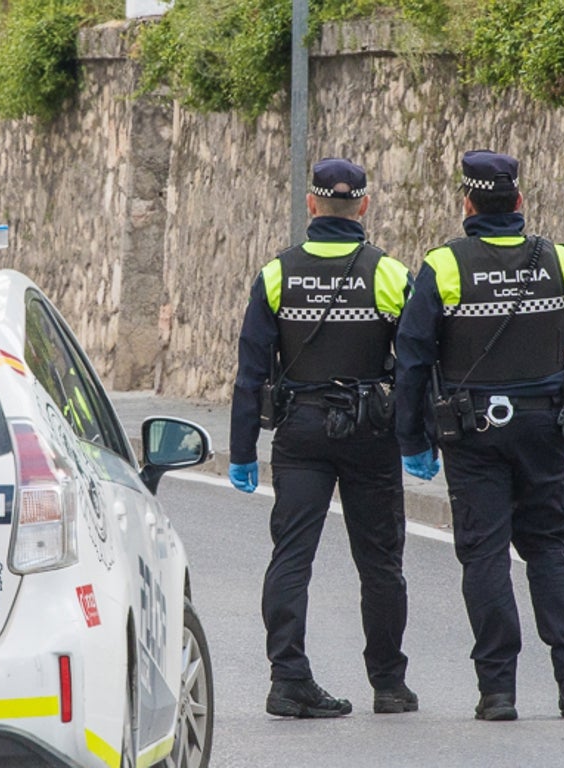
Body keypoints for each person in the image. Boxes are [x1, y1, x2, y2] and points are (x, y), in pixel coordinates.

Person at [394, 149, 564, 721]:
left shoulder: (443, 266)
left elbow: (413, 359)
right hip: (545, 426)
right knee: (550, 548)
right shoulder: (559, 260)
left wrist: (412, 440)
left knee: (484, 554)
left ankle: (498, 691)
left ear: (467, 203)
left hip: (472, 430)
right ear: (518, 201)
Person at [228, 157, 416, 718]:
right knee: (380, 562)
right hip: (370, 432)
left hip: (301, 432)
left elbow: (251, 373)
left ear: (311, 205)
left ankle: (287, 679)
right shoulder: (388, 273)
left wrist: (242, 452)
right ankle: (388, 683)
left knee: (291, 557)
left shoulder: (277, 274)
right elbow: (414, 365)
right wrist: (418, 439)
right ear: (363, 205)